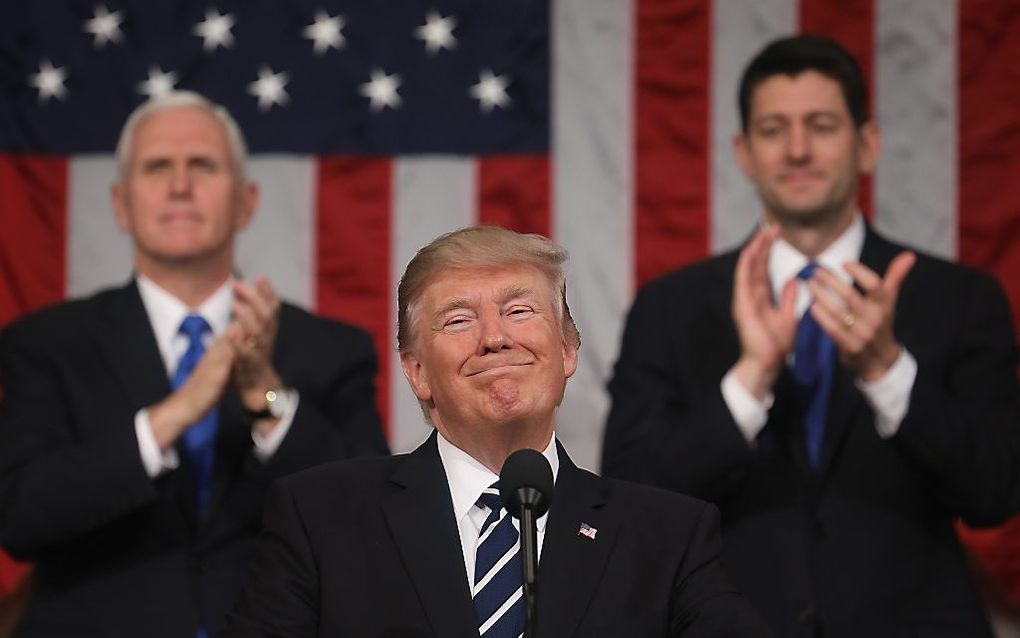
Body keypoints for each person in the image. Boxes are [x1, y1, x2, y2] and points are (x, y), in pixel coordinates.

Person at [602, 34, 1020, 638]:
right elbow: (629, 502)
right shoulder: (671, 308)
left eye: (821, 126)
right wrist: (748, 382)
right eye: (773, 130)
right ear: (744, 153)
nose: (797, 150)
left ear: (867, 145)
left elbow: (995, 493)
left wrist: (887, 372)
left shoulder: (959, 298)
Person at [223, 226, 768, 637]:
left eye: (520, 310)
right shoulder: (321, 517)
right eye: (459, 320)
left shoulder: (666, 535)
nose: (495, 338)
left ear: (567, 351)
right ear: (416, 371)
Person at [0, 91, 388, 638]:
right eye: (157, 166)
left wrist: (268, 396)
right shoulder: (45, 344)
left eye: (202, 165)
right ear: (120, 204)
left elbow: (368, 519)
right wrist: (170, 417)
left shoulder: (330, 348)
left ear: (246, 201)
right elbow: (21, 516)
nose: (179, 185)